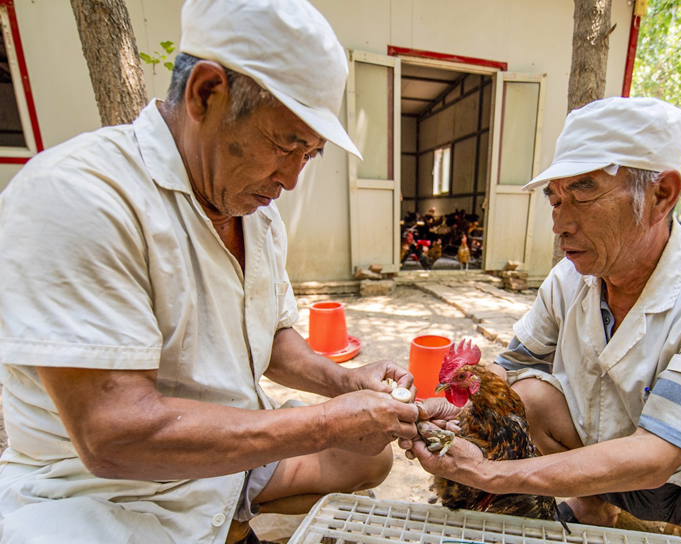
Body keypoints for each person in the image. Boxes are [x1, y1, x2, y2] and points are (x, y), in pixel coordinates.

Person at [0, 1, 420, 543]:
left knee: (365, 458)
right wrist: (328, 420)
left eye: (309, 155)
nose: (290, 180)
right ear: (205, 93)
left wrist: (345, 381)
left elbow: (272, 337)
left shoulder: (258, 218)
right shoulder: (77, 195)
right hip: (107, 492)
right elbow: (112, 436)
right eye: (286, 143)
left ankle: (234, 520)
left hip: (220, 465)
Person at [404, 97, 681, 543]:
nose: (560, 224)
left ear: (661, 195)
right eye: (555, 200)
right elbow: (512, 365)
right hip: (598, 472)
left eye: (584, 191)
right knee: (528, 394)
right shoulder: (567, 281)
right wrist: (464, 405)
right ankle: (594, 511)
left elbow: (657, 455)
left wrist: (490, 474)